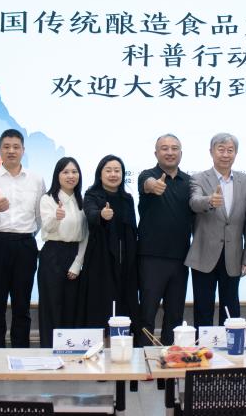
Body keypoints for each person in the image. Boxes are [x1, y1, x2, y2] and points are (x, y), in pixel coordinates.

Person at [0, 129, 44, 348]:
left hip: (25, 245)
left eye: (16, 147)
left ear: (23, 150)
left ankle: (21, 352)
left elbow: (40, 215)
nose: (11, 151)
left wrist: (28, 235)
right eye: (6, 147)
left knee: (22, 305)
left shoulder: (36, 179)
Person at [188, 133, 246, 327]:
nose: (225, 154)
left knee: (231, 308)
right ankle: (204, 344)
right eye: (221, 149)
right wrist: (209, 200)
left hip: (233, 255)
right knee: (203, 308)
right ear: (211, 152)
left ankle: (230, 343)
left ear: (236, 153)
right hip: (203, 255)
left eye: (230, 150)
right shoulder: (198, 178)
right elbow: (194, 202)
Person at [137, 135, 193, 345]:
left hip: (180, 258)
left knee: (175, 316)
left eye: (174, 148)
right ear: (156, 153)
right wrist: (154, 186)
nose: (170, 152)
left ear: (181, 153)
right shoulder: (147, 175)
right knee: (147, 313)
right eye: (164, 148)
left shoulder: (189, 182)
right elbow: (148, 184)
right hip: (151, 258)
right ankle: (142, 358)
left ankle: (170, 361)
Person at [80, 155, 139, 332]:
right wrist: (101, 215)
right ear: (100, 174)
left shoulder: (127, 198)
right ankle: (100, 342)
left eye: (117, 170)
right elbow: (90, 213)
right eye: (108, 170)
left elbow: (132, 229)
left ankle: (124, 340)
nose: (113, 174)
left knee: (125, 303)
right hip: (100, 260)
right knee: (101, 302)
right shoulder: (92, 195)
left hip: (125, 262)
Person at [37, 157, 87, 348]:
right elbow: (47, 228)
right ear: (57, 175)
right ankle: (49, 351)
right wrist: (56, 218)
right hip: (52, 254)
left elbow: (86, 235)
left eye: (74, 172)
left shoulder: (82, 200)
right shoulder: (48, 199)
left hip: (75, 254)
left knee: (72, 305)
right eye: (65, 172)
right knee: (52, 304)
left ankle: (70, 350)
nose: (70, 176)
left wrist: (78, 262)